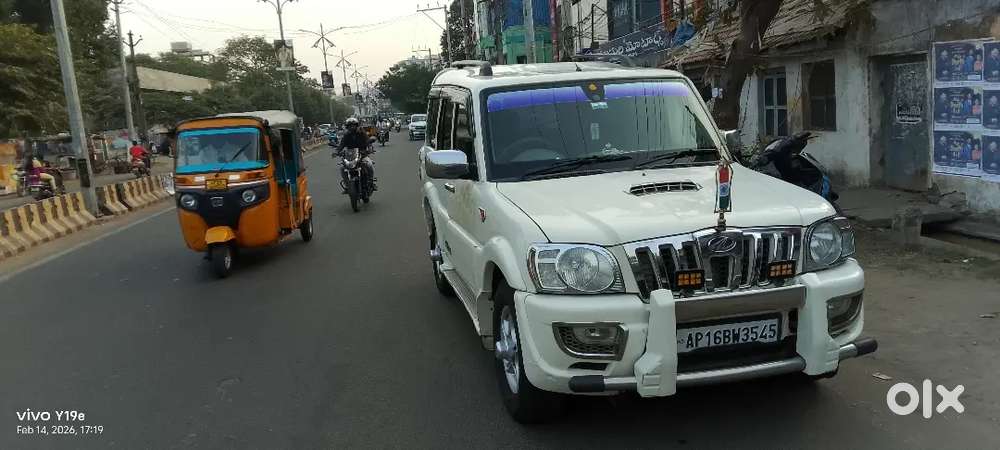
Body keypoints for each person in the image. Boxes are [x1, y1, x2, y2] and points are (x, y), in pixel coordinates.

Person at [334, 117, 376, 192]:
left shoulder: (361, 133)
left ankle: (371, 182)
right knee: (343, 169)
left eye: (353, 125)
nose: (352, 127)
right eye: (350, 126)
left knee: (369, 164)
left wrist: (369, 148)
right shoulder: (346, 135)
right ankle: (348, 186)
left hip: (362, 154)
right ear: (347, 127)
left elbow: (367, 140)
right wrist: (337, 151)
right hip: (350, 156)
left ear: (356, 125)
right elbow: (341, 145)